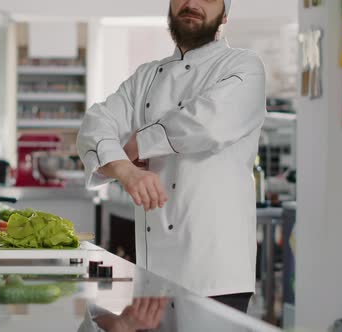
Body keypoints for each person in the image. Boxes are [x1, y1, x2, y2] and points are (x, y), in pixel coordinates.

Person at [77, 0, 266, 313]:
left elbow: (208, 123)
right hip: (155, 276)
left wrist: (139, 143)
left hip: (216, 276)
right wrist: (126, 170)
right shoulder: (146, 78)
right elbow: (96, 123)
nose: (191, 3)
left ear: (225, 14)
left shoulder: (244, 66)